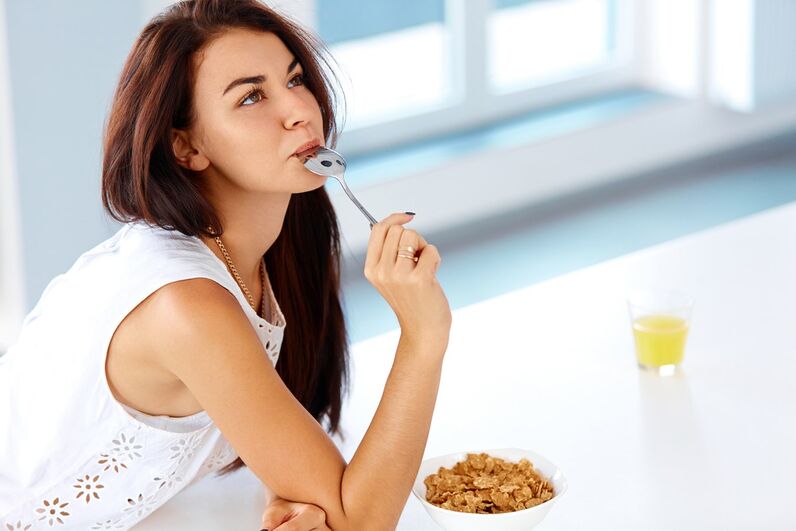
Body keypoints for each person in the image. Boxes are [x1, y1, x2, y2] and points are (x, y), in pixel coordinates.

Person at [0, 0, 451, 529]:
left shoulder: (260, 250)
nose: (299, 109)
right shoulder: (185, 305)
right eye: (252, 96)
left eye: (295, 78)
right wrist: (424, 333)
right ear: (185, 147)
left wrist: (285, 482)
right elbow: (358, 523)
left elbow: (285, 436)